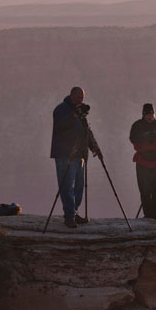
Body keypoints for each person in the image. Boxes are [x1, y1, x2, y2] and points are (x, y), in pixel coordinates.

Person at [51, 86, 94, 228]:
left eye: (82, 98)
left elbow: (86, 131)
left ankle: (74, 212)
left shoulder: (81, 112)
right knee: (67, 185)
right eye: (78, 97)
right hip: (64, 154)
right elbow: (60, 126)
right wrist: (74, 115)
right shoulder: (61, 109)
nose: (80, 100)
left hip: (78, 155)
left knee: (79, 186)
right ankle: (69, 216)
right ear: (71, 95)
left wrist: (94, 148)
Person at [130, 102, 156, 221]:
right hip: (142, 161)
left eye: (152, 114)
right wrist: (146, 136)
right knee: (145, 189)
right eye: (147, 114)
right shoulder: (137, 125)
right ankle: (148, 215)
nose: (150, 116)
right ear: (143, 114)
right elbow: (133, 139)